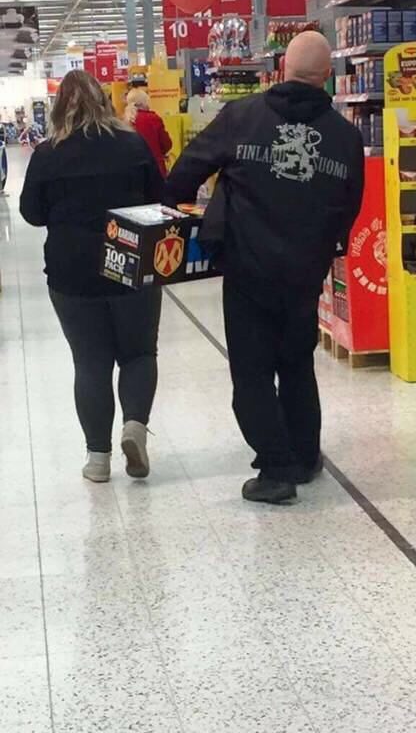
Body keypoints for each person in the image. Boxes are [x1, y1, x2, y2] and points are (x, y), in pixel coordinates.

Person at [166, 31, 365, 505]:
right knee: (296, 364)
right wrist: (322, 247)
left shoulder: (242, 116)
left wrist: (180, 214)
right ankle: (305, 455)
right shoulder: (345, 137)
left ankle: (276, 470)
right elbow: (349, 206)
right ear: (327, 77)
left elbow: (185, 173)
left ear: (281, 70)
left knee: (252, 373)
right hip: (304, 273)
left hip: (247, 269)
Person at [20, 70, 164, 484]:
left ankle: (98, 459)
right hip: (131, 262)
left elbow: (32, 213)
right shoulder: (132, 144)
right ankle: (134, 426)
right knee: (139, 353)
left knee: (90, 362)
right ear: (104, 101)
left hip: (72, 272)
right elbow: (159, 196)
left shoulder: (48, 154)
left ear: (58, 108)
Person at [125, 88, 172, 177]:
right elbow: (166, 144)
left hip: (133, 171)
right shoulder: (153, 118)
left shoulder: (125, 121)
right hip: (155, 169)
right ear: (144, 102)